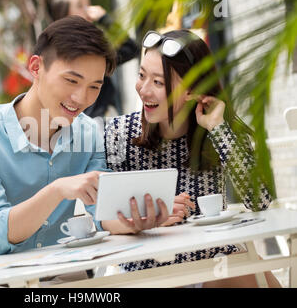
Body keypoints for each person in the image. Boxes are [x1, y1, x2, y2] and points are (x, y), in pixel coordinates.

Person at [0, 16, 168, 287]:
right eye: (71, 80)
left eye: (94, 87)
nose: (81, 98)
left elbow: (103, 212)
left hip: (62, 281)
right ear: (36, 67)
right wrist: (57, 190)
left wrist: (136, 220)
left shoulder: (88, 133)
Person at [102, 29, 281, 287]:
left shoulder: (218, 130)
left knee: (244, 270)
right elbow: (104, 218)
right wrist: (149, 216)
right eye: (142, 76)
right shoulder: (119, 133)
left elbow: (260, 201)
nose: (143, 90)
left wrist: (218, 128)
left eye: (159, 83)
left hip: (213, 265)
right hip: (148, 271)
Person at [50, 0, 140, 118]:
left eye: (88, 4)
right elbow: (131, 48)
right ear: (65, 16)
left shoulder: (60, 50)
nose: (89, 10)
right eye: (81, 6)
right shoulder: (83, 52)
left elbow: (131, 49)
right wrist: (104, 19)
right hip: (96, 122)